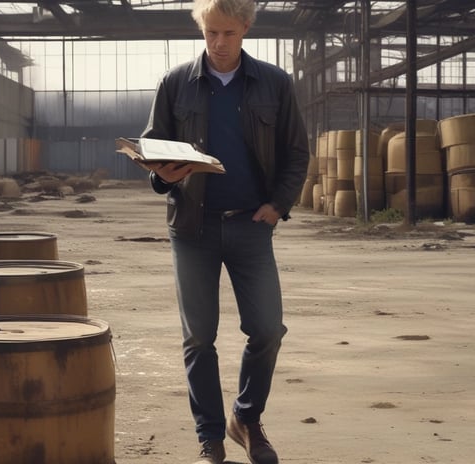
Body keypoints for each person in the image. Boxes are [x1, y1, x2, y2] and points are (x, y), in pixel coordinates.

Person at [140, 1, 310, 463]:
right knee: (199, 338)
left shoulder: (274, 84)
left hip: (251, 226)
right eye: (210, 32)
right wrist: (162, 176)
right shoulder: (175, 83)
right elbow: (152, 149)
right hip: (191, 228)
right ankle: (210, 438)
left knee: (268, 329)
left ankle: (246, 417)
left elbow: (297, 153)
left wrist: (277, 206)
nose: (218, 43)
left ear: (246, 29)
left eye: (228, 34)